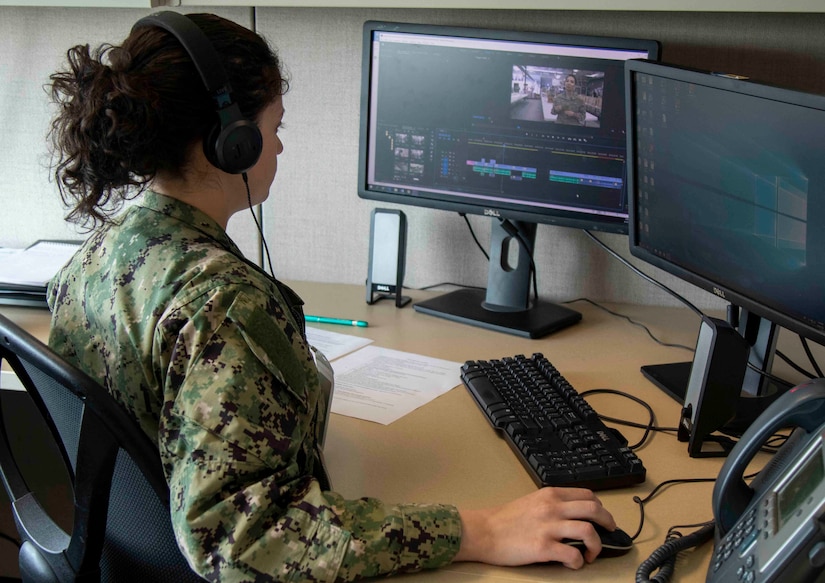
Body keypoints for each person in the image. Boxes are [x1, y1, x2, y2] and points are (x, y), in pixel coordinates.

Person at [45, 12, 618, 582]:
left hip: (132, 553)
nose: (281, 146)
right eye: (275, 127)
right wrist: (480, 530)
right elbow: (243, 541)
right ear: (231, 144)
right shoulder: (225, 305)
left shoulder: (101, 252)